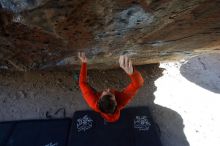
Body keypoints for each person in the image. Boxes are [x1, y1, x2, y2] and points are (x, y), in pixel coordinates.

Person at [78, 52, 144, 122]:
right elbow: (138, 84)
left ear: (99, 99)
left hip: (101, 106)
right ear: (116, 102)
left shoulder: (93, 102)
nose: (109, 89)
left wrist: (84, 63)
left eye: (106, 92)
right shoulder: (122, 101)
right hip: (113, 109)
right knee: (113, 116)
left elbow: (82, 83)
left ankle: (108, 117)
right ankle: (111, 118)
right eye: (111, 94)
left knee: (88, 89)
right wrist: (132, 73)